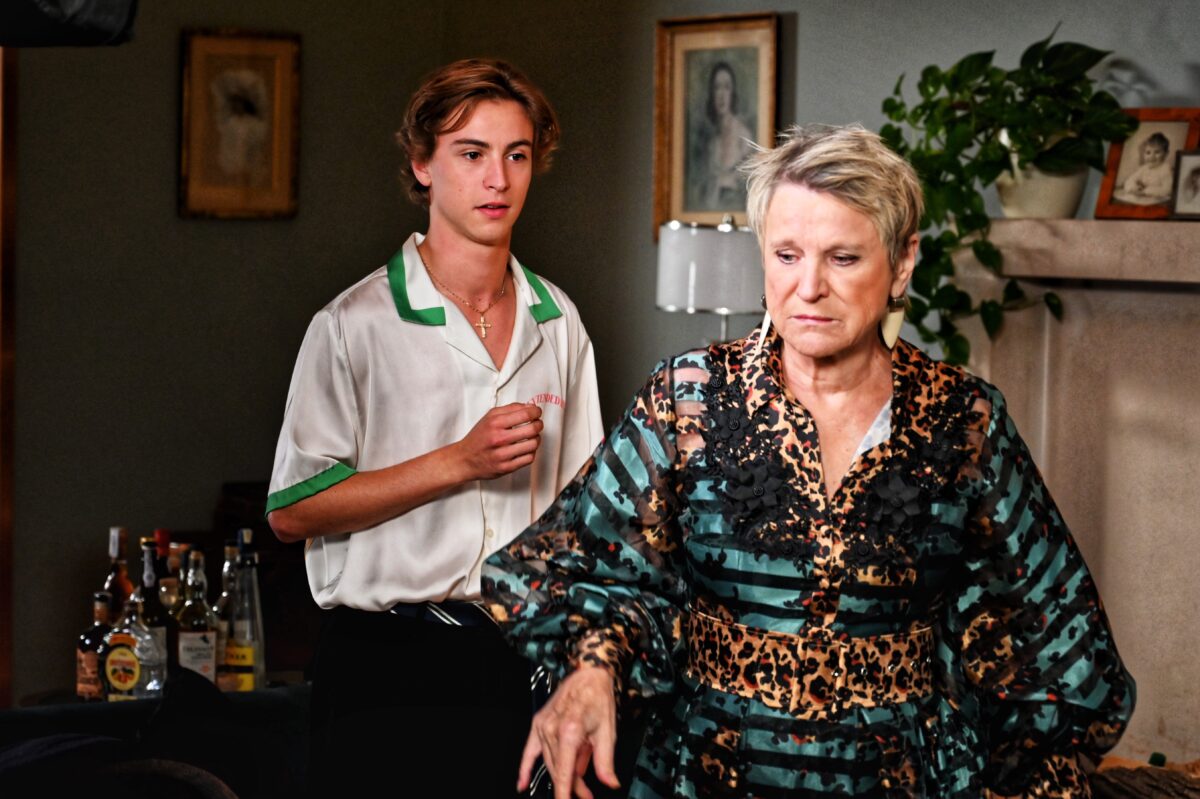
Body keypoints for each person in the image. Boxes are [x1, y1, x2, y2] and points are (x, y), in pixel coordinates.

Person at [483, 124, 1135, 798]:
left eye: (843, 258)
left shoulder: (964, 419)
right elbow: (588, 564)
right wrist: (593, 666)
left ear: (903, 262)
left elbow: (1048, 633)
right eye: (787, 255)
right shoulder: (689, 398)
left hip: (903, 780)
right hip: (706, 773)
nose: (809, 287)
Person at [267, 58, 603, 797]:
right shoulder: (352, 325)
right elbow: (292, 511)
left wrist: (582, 671)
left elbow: (588, 524)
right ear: (423, 165)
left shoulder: (559, 321)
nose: (498, 179)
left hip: (525, 660)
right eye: (471, 153)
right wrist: (458, 461)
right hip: (389, 671)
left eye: (517, 155)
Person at [690, 61, 755, 211]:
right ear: (711, 94)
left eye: (726, 87)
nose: (721, 95)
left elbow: (747, 187)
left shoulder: (744, 135)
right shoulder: (709, 140)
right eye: (717, 87)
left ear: (733, 93)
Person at [1116, 131, 1173, 204]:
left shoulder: (1165, 169)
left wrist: (1146, 191)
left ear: (1166, 154)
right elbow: (1129, 180)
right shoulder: (1144, 168)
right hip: (1143, 199)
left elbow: (1167, 190)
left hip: (1159, 202)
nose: (1152, 156)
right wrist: (1134, 188)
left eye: (1157, 152)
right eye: (1148, 152)